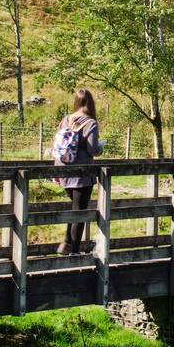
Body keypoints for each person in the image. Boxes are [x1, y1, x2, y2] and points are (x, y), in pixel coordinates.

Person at [54, 88, 106, 255]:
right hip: (82, 174)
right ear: (90, 103)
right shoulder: (90, 122)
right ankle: (74, 252)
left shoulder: (66, 119)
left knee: (74, 208)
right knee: (80, 211)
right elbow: (93, 150)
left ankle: (66, 244)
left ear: (76, 102)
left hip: (63, 170)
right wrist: (101, 147)